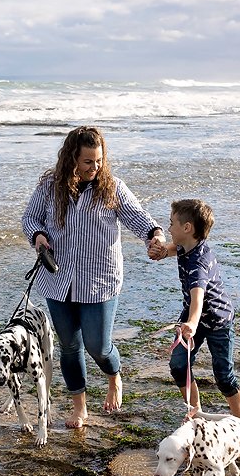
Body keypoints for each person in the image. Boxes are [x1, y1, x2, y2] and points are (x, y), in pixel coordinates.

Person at [22, 126, 166, 428]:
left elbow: (139, 219)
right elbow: (30, 217)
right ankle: (80, 407)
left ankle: (114, 376)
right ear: (72, 157)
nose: (95, 167)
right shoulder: (50, 186)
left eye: (99, 160)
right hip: (57, 279)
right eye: (88, 161)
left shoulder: (112, 187)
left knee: (97, 346)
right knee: (70, 346)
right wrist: (38, 237)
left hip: (100, 280)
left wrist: (155, 237)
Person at [149, 199, 240, 419]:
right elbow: (176, 248)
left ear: (187, 228)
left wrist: (191, 323)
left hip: (217, 321)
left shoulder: (198, 265)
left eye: (172, 223)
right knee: (179, 365)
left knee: (223, 376)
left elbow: (198, 298)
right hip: (194, 317)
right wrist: (163, 251)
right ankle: (196, 412)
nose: (169, 228)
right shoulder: (189, 245)